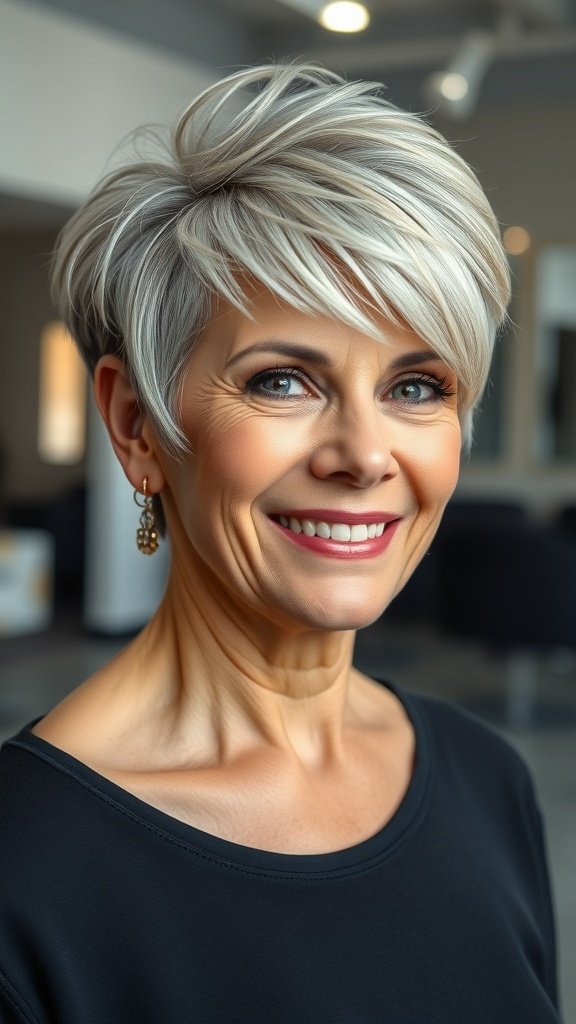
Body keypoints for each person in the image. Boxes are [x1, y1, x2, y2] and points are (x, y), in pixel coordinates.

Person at [0, 63, 560, 1023]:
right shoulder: (23, 873)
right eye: (284, 381)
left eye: (417, 387)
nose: (364, 455)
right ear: (136, 425)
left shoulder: (488, 778)